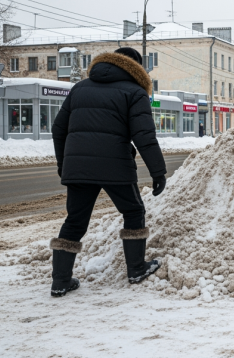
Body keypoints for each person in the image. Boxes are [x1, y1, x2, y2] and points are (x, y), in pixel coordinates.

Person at [49, 47, 167, 298]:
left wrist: (64, 164)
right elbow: (144, 136)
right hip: (116, 166)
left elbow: (58, 129)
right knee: (134, 212)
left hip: (78, 167)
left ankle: (60, 281)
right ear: (134, 67)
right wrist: (158, 172)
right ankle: (136, 268)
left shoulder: (80, 88)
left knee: (75, 221)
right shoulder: (134, 92)